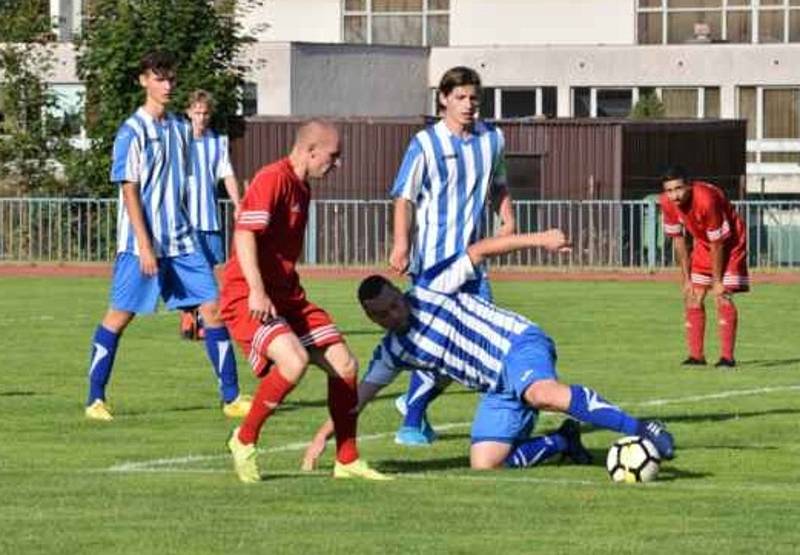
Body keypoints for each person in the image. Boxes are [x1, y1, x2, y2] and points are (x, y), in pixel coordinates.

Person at [302, 229, 675, 471]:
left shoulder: (433, 289)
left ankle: (642, 428)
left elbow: (479, 251)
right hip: (496, 388)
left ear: (401, 293)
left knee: (541, 392)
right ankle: (563, 440)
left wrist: (541, 238)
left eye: (394, 304)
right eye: (382, 315)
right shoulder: (393, 351)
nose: (393, 315)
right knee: (485, 463)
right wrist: (322, 435)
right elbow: (359, 397)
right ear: (372, 318)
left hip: (518, 344)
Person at [84, 51, 250, 421]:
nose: (168, 85)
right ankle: (95, 398)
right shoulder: (132, 131)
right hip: (141, 243)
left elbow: (184, 182)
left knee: (213, 310)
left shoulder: (179, 128)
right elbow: (129, 189)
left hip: (182, 239)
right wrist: (144, 245)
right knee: (119, 316)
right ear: (144, 81)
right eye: (160, 78)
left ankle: (232, 398)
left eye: (171, 78)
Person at [220, 119, 390, 483]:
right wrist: (257, 289)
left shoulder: (303, 187)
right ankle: (244, 439)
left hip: (287, 295)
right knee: (293, 362)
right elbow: (245, 233)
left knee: (344, 365)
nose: (337, 163)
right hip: (246, 294)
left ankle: (346, 459)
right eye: (333, 155)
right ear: (311, 150)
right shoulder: (272, 178)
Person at [389, 65, 515, 446]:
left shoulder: (493, 138)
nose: (468, 105)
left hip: (474, 263)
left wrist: (507, 217)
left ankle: (414, 403)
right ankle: (411, 420)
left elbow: (498, 184)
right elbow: (404, 196)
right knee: (437, 343)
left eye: (474, 97)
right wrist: (401, 243)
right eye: (460, 97)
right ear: (443, 99)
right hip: (433, 261)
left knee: (480, 343)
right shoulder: (426, 143)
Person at [659, 165, 748, 368]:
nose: (674, 195)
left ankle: (727, 358)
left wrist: (717, 281)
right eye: (669, 190)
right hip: (704, 241)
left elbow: (718, 243)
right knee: (693, 296)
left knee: (722, 295)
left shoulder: (706, 199)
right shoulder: (666, 202)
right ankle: (696, 356)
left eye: (679, 188)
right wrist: (686, 279)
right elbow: (678, 240)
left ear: (689, 185)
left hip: (731, 242)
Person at [179, 89, 242, 340]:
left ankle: (201, 317)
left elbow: (227, 174)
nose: (201, 118)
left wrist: (238, 204)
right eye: (197, 113)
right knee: (191, 269)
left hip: (208, 217)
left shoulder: (218, 142)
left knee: (211, 268)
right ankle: (190, 316)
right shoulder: (178, 140)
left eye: (205, 113)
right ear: (188, 113)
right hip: (184, 219)